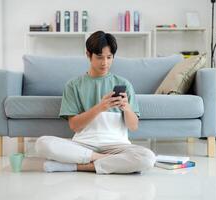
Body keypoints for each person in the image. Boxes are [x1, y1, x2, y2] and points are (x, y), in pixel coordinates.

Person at [35, 31, 156, 174]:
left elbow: (133, 126)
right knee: (42, 144)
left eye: (109, 57)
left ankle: (76, 166)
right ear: (88, 55)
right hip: (84, 144)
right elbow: (74, 126)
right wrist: (100, 107)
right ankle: (105, 160)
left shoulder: (124, 84)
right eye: (99, 57)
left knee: (148, 158)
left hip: (117, 145)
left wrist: (127, 108)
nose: (105, 63)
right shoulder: (73, 85)